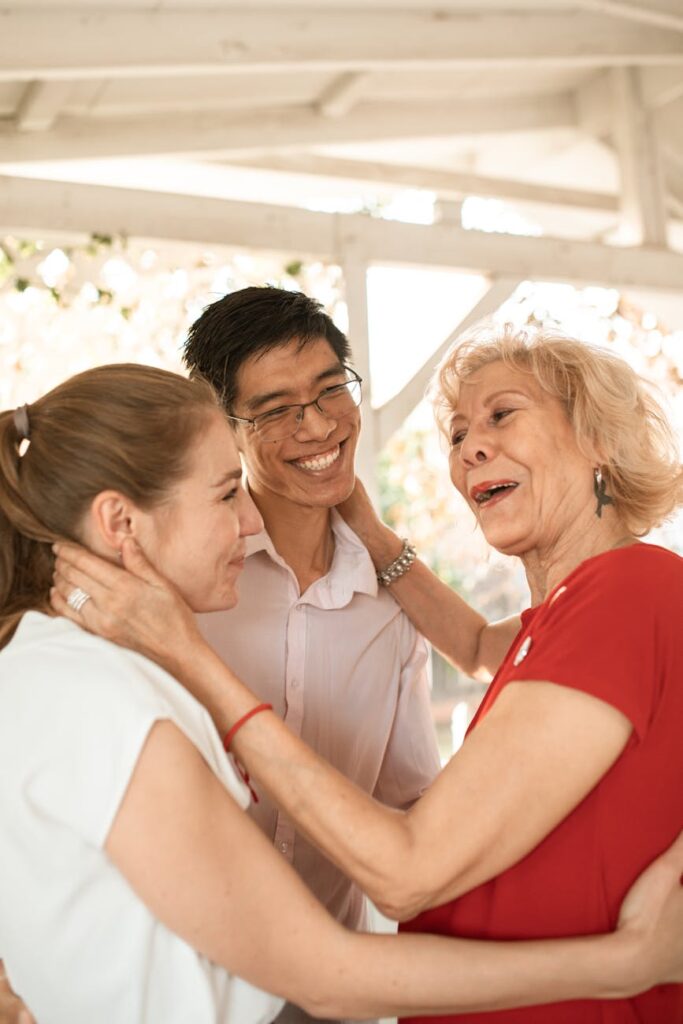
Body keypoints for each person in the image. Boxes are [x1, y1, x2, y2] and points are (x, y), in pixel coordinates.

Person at [3, 363, 683, 1024]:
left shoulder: (621, 594)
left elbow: (403, 865)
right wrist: (625, 960)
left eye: (502, 413)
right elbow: (477, 649)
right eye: (453, 432)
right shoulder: (100, 691)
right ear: (121, 524)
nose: (250, 520)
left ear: (596, 433)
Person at [184, 286, 441, 1024]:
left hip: (334, 995)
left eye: (332, 389)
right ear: (223, 426)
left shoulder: (394, 604)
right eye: (275, 409)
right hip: (183, 986)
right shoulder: (184, 587)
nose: (320, 424)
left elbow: (412, 800)